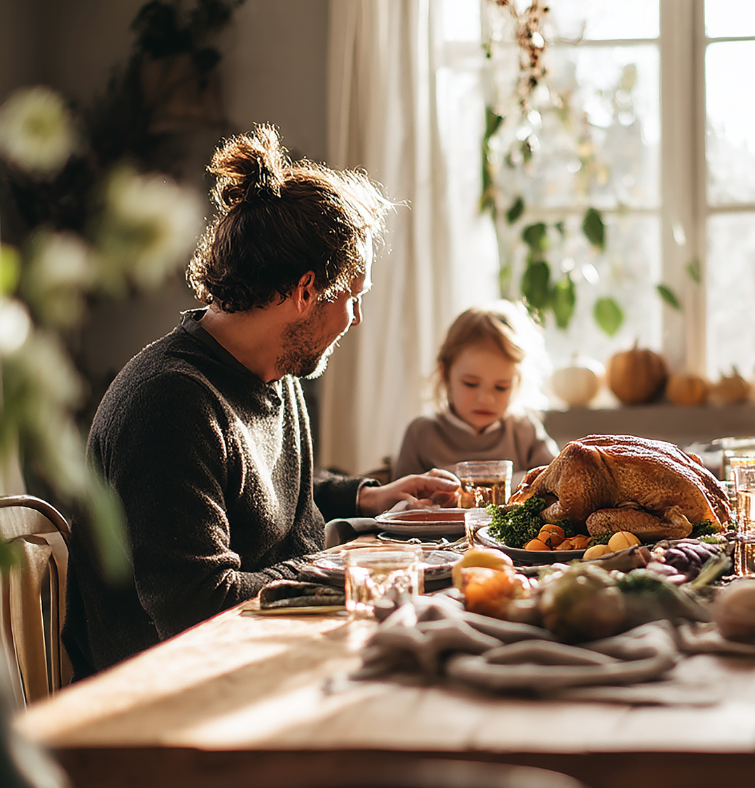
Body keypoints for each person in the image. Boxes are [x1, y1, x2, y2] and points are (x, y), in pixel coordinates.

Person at [65, 124, 460, 678]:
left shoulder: (274, 369)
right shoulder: (169, 403)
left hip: (274, 654)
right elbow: (198, 604)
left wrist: (369, 498)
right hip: (179, 694)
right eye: (353, 297)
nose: (356, 318)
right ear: (305, 292)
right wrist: (347, 568)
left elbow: (256, 494)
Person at [392, 302, 558, 482]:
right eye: (470, 384)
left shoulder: (524, 431)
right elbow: (399, 500)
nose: (486, 399)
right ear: (446, 374)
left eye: (501, 387)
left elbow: (556, 480)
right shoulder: (421, 434)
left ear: (517, 382)